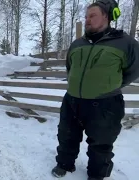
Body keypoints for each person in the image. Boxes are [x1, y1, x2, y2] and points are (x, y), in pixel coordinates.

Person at [51, 0, 139, 180]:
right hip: (72, 99)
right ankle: (64, 163)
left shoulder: (125, 43)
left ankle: (97, 175)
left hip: (105, 104)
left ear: (106, 17)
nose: (87, 20)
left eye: (92, 16)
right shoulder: (77, 44)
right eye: (86, 16)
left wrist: (108, 85)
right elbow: (70, 68)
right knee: (66, 135)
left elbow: (133, 70)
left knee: (101, 143)